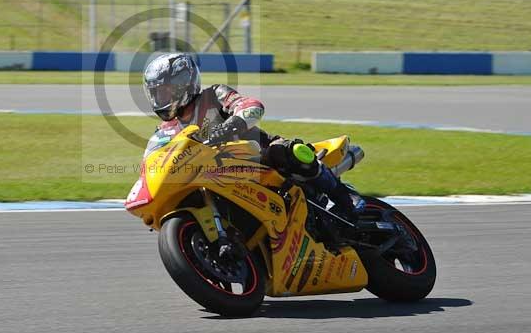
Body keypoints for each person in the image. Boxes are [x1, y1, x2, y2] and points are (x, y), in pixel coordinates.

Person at [142, 52, 365, 220]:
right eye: (156, 93)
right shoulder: (166, 130)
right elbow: (154, 158)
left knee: (288, 151)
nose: (160, 98)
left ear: (183, 85)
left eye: (164, 91)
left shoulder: (213, 96)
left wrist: (231, 125)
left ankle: (345, 198)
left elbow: (251, 106)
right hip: (218, 175)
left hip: (259, 155)